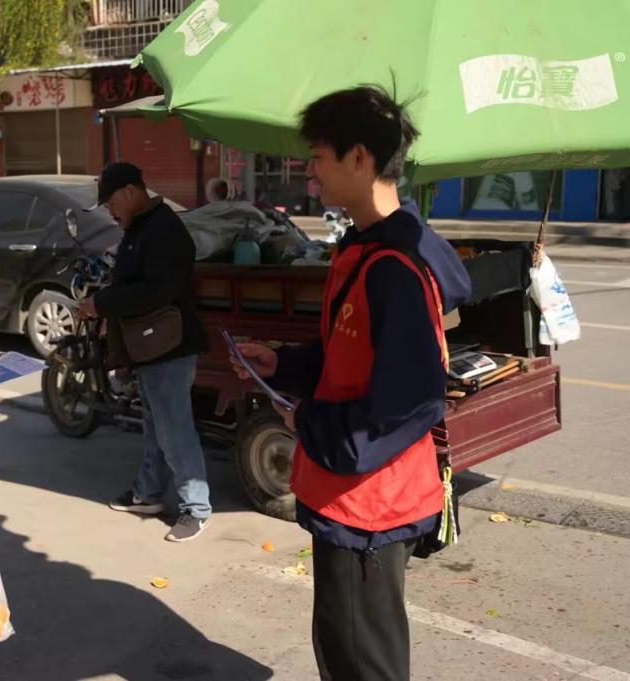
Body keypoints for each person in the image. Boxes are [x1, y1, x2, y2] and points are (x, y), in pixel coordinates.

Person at [232, 86, 472, 680]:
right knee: (344, 650)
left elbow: (411, 404)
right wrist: (283, 365)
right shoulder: (366, 250)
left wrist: (308, 421)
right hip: (348, 495)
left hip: (369, 506)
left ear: (359, 157)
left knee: (362, 662)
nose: (311, 173)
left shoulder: (394, 268)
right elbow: (350, 354)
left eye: (318, 157)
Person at [76, 162, 212, 542]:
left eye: (112, 204)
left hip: (170, 346)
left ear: (132, 192)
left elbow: (157, 291)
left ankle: (196, 509)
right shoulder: (140, 228)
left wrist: (102, 303)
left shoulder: (163, 229)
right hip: (150, 346)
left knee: (174, 431)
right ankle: (148, 492)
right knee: (156, 426)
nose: (111, 212)